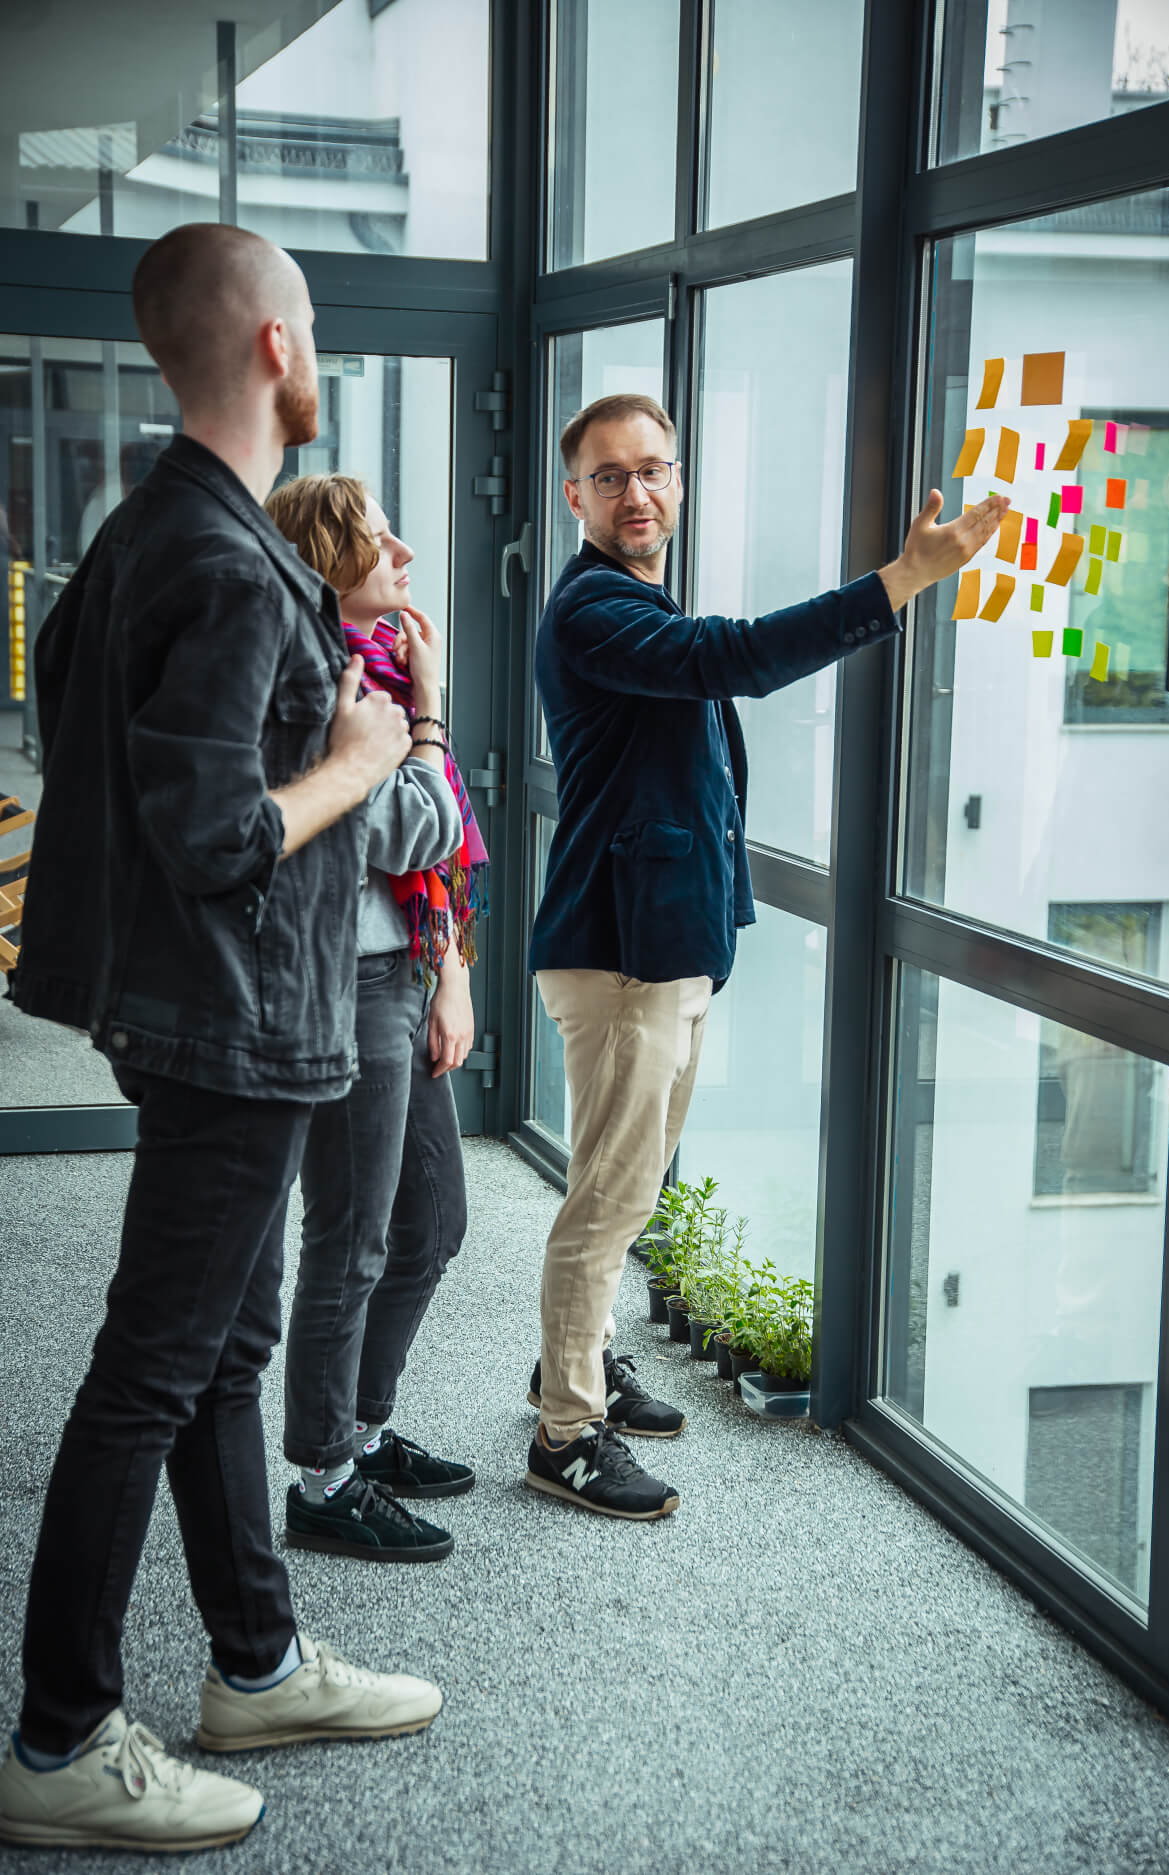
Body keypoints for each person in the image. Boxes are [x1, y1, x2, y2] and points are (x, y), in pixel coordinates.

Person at [0, 224, 443, 1857]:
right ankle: (59, 1736)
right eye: (311, 324)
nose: (316, 348)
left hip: (194, 1008)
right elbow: (210, 828)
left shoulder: (150, 532)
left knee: (218, 1350)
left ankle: (252, 1658)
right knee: (152, 1371)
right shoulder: (224, 556)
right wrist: (358, 749)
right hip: (234, 1018)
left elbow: (73, 723)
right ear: (271, 346)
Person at [524, 391, 1008, 1521]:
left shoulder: (634, 591)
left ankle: (573, 1365)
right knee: (605, 1200)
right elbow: (735, 659)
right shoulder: (594, 609)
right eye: (609, 477)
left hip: (667, 943)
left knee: (627, 1192)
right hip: (621, 953)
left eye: (653, 470)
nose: (636, 493)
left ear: (679, 481)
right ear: (573, 497)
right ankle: (564, 1435)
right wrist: (899, 582)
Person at [265, 472, 487, 1563]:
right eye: (372, 534)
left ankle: (364, 1421)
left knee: (432, 1222)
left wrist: (449, 970)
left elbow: (435, 851)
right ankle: (325, 1474)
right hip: (344, 987)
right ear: (322, 562)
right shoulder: (320, 686)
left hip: (403, 971)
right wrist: (432, 711)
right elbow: (413, 831)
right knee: (351, 1239)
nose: (401, 549)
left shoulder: (374, 671)